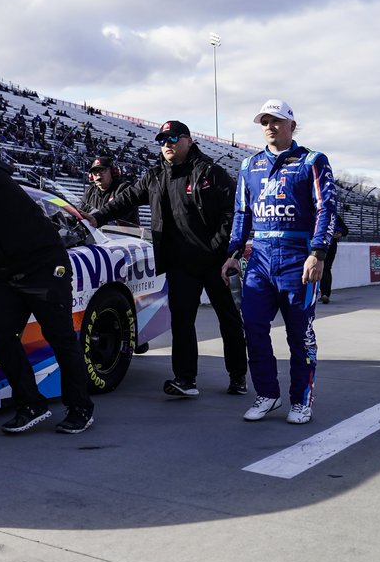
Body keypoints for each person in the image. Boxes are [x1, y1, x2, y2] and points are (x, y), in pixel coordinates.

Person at [0, 128, 95, 435]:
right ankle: (32, 404)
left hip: (42, 267)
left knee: (61, 338)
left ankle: (81, 408)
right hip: (5, 273)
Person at [84, 121, 247, 398]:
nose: (167, 144)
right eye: (162, 140)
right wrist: (96, 217)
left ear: (188, 140)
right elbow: (126, 199)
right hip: (179, 264)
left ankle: (238, 376)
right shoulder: (155, 175)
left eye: (172, 138)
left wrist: (221, 248)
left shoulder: (211, 172)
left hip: (215, 261)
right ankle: (185, 379)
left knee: (229, 319)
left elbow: (233, 213)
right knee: (182, 321)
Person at [223, 99, 339, 425]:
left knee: (299, 333)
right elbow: (242, 213)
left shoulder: (313, 161)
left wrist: (317, 254)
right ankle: (267, 394)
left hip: (297, 257)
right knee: (254, 327)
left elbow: (326, 209)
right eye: (264, 122)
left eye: (276, 121)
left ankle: (301, 400)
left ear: (291, 125)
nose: (270, 127)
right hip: (258, 258)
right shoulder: (249, 165)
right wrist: (233, 254)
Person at [78, 157, 139, 226]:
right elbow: (80, 211)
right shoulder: (90, 191)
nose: (98, 174)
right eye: (95, 172)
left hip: (123, 235)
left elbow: (119, 213)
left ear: (113, 172)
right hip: (97, 235)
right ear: (91, 176)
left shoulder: (124, 189)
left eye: (102, 170)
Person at [319, 212, 348, 304]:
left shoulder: (335, 216)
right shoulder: (313, 214)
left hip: (330, 246)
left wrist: (340, 233)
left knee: (326, 268)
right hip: (316, 245)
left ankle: (325, 294)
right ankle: (322, 294)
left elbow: (345, 230)